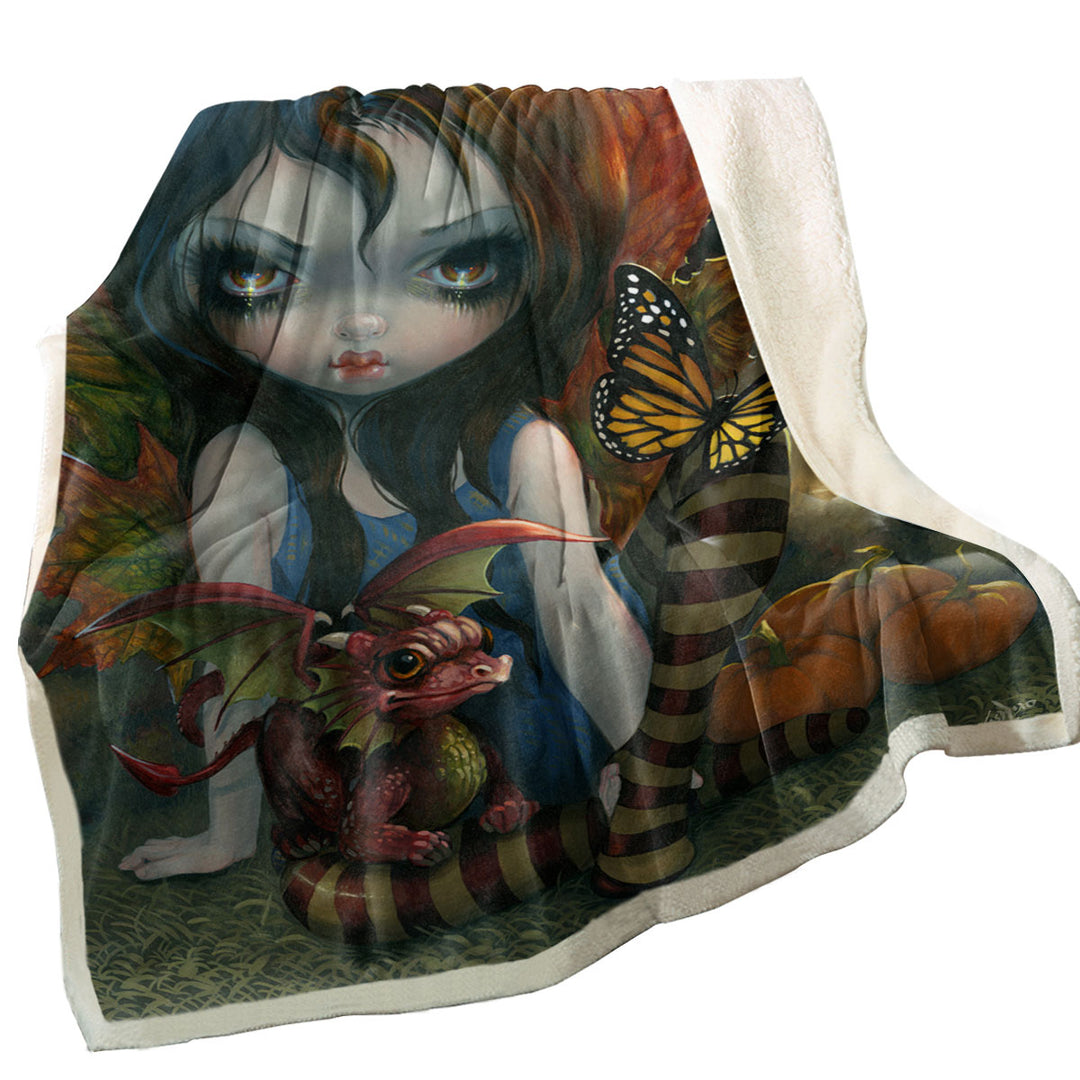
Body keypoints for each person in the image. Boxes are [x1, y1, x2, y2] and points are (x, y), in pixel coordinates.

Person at [111, 85, 664, 879]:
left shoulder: (519, 450)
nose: (361, 322)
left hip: (524, 741)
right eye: (263, 273)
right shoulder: (249, 462)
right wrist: (228, 833)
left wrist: (643, 761)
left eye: (457, 264)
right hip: (348, 762)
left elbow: (579, 611)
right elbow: (237, 659)